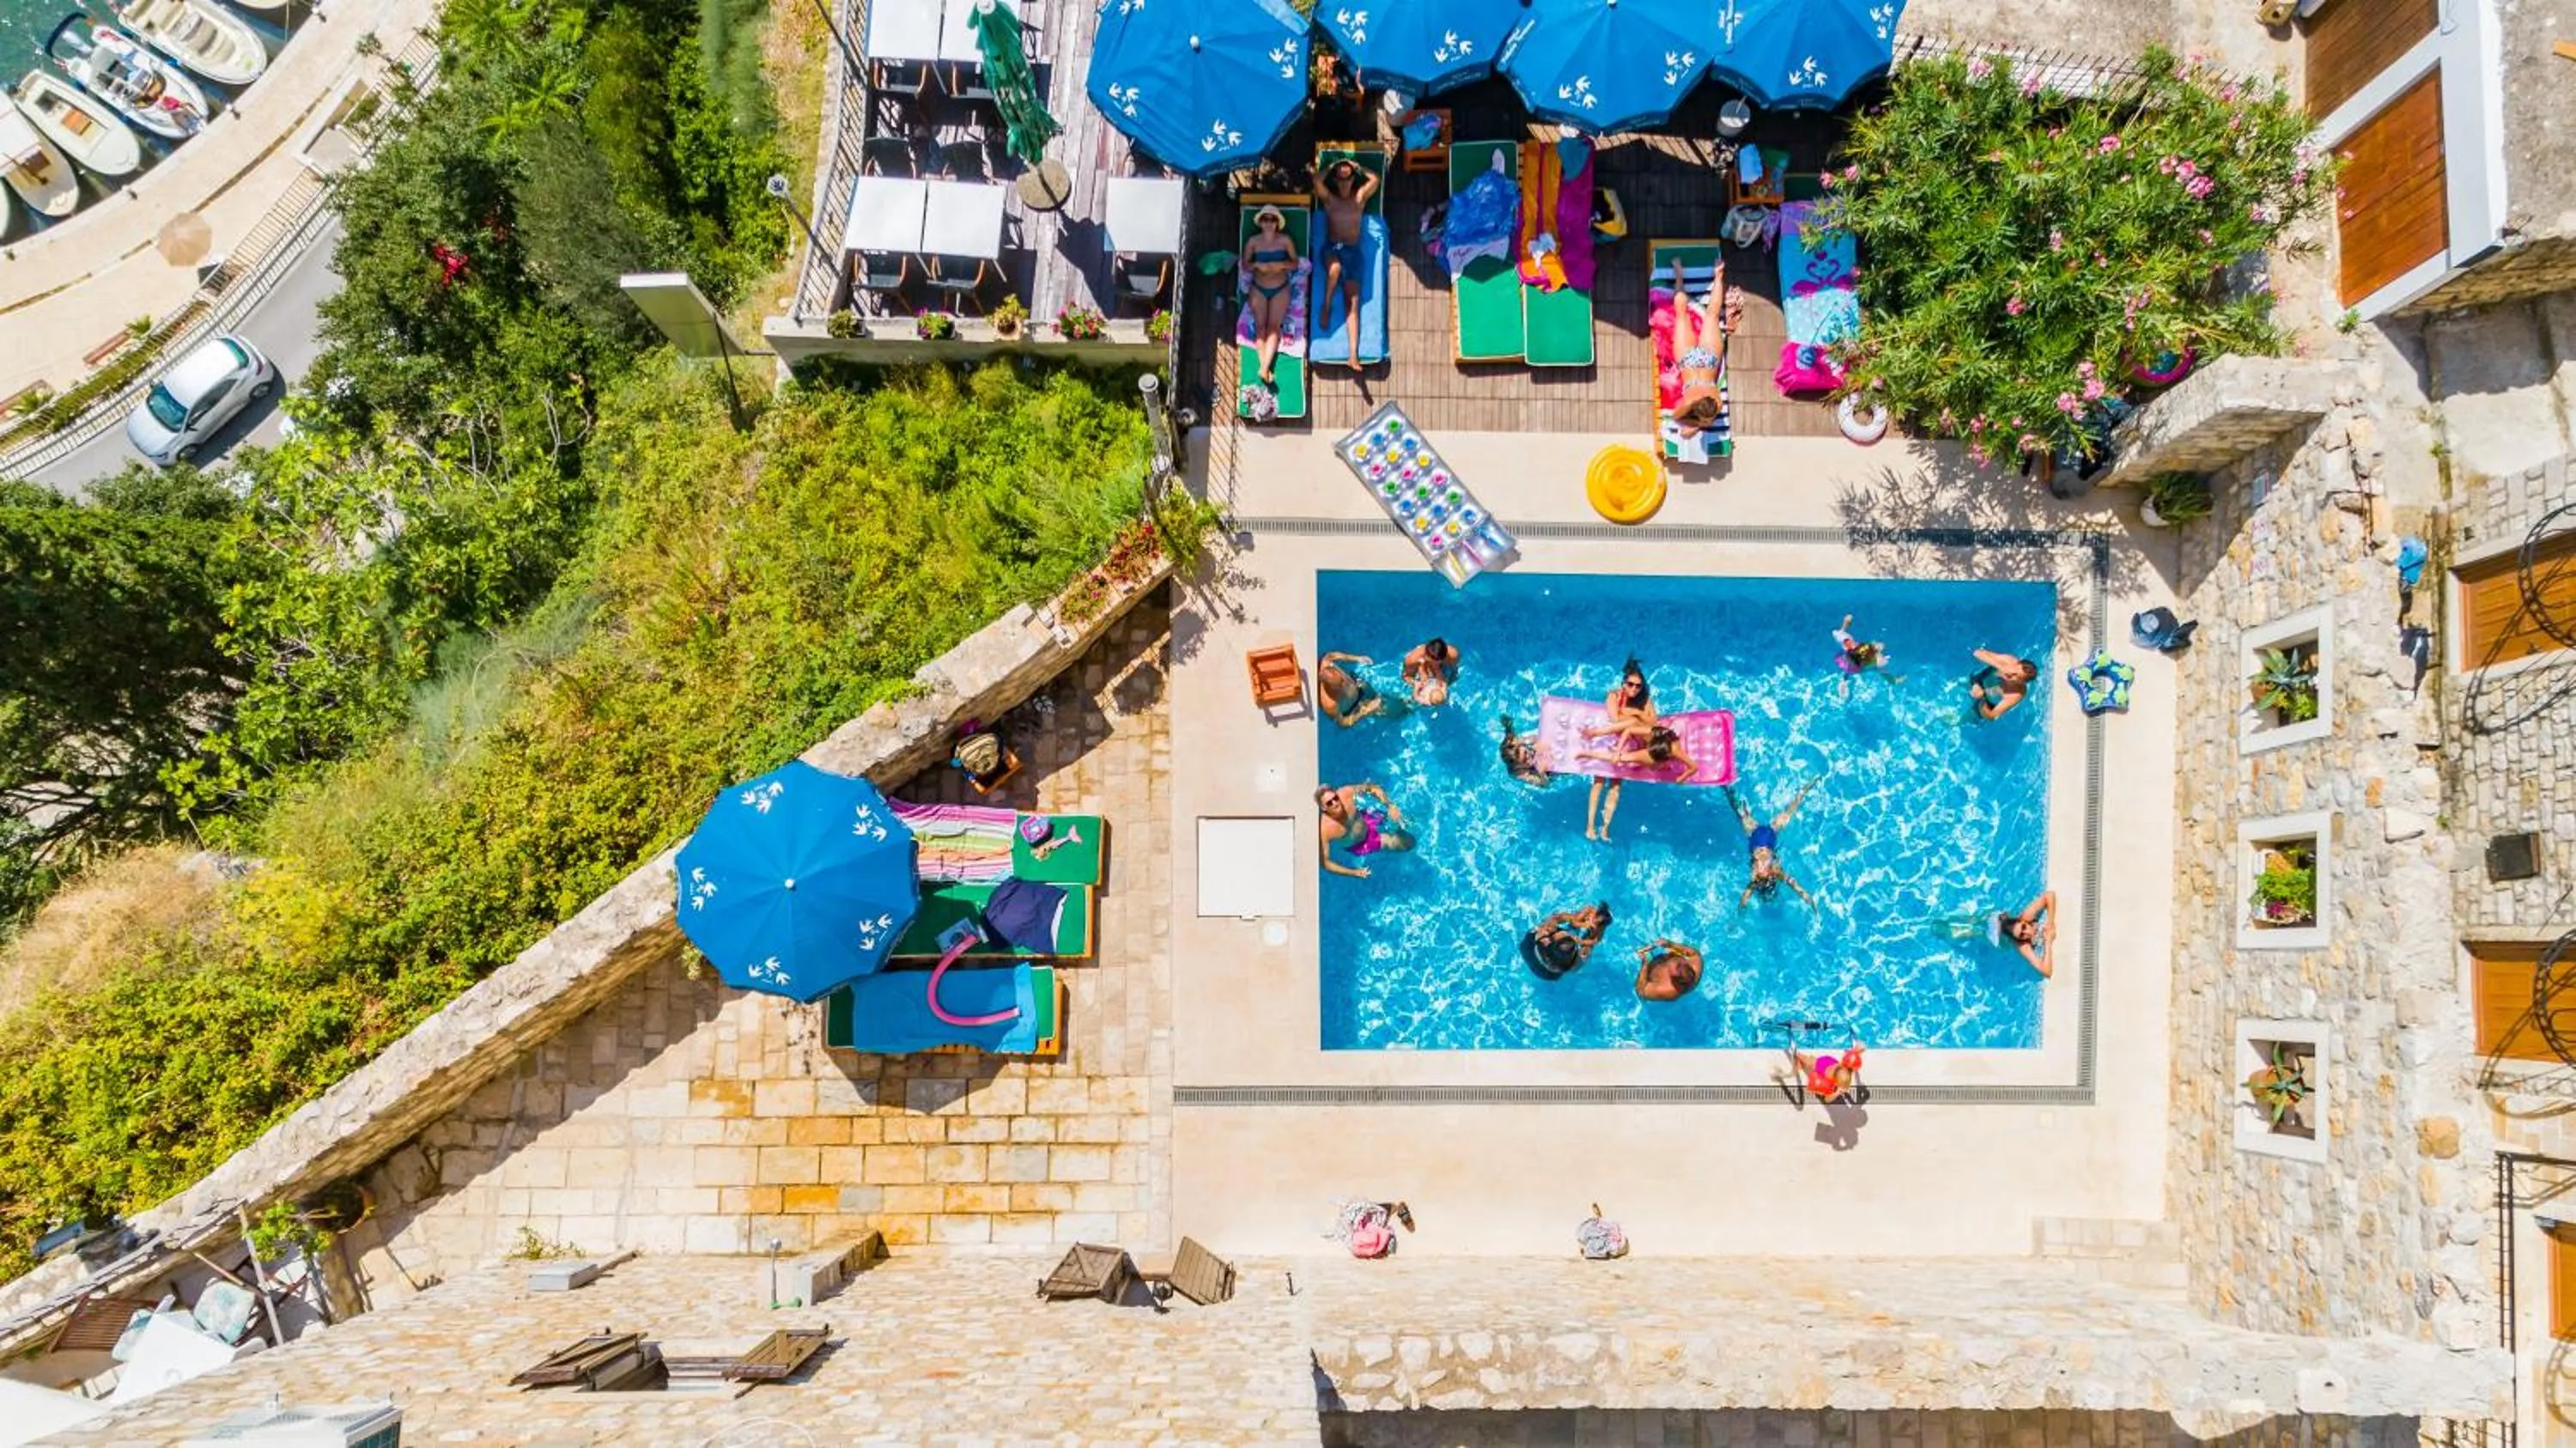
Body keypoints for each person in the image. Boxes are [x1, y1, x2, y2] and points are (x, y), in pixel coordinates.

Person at [1316, 158, 1381, 373]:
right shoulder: (1330, 200)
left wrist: (1358, 166)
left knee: (1352, 302)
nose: (1345, 182)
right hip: (1332, 248)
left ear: (1354, 179)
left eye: (1349, 177)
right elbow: (1317, 180)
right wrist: (1332, 165)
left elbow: (1376, 179)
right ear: (1335, 180)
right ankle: (1326, 305)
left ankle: (1353, 355)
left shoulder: (1360, 197)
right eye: (1340, 177)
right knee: (1334, 269)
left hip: (1353, 253)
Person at [1668, 259, 1735, 439]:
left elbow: (1706, 419)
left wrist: (1697, 424)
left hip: (1709, 359)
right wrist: (1693, 426)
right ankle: (1679, 275)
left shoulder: (1717, 402)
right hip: (1688, 361)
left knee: (1712, 316)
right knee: (1681, 316)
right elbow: (1678, 420)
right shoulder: (1688, 403)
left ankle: (1719, 275)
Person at [1729, 776, 1820, 909]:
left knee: (1738, 809)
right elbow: (1794, 885)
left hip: (1754, 836)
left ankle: (1728, 787)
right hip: (1770, 836)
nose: (1759, 871)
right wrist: (1808, 898)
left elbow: (1745, 897)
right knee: (1791, 809)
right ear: (1770, 879)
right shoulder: (1776, 872)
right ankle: (1807, 787)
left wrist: (1738, 915)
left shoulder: (1755, 879)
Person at [1245, 206, 1300, 389]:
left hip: (1280, 287)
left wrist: (1280, 264)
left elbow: (1295, 264)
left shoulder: (1285, 241)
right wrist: (1257, 265)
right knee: (1260, 327)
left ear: (1277, 223)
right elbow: (1245, 265)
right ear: (1261, 222)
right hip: (1259, 288)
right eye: (1265, 219)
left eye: (1272, 219)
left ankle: (1264, 368)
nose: (1269, 222)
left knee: (1274, 327)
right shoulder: (1253, 242)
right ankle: (1264, 368)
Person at [1316, 782, 1411, 879]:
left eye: (1335, 798)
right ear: (1323, 807)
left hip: (1367, 819)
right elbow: (1324, 862)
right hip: (1363, 843)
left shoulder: (1346, 793)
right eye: (1329, 803)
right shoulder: (1325, 829)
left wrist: (1390, 806)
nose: (1335, 803)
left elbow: (1372, 787)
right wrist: (1354, 873)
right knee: (1406, 844)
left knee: (1405, 820)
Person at [1522, 902, 1612, 980]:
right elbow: (1589, 946)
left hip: (1529, 950)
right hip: (1549, 975)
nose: (1571, 935)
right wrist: (1596, 930)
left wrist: (1573, 919)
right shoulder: (1577, 963)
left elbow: (1558, 918)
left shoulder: (1543, 935)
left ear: (1548, 941)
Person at [1577, 727, 1698, 783]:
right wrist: (1618, 752)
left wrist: (1682, 778)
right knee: (1623, 759)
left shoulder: (1676, 751)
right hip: (1659, 740)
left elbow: (1694, 767)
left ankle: (1588, 754)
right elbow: (1629, 730)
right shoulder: (1651, 733)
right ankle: (1588, 754)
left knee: (1653, 767)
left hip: (1665, 746)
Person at [1587, 658, 1657, 747]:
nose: (1634, 689)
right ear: (1624, 683)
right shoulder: (1614, 696)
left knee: (1635, 721)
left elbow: (1653, 722)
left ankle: (1596, 733)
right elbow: (1615, 719)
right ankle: (1595, 733)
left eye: (1638, 686)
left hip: (1647, 737)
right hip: (1631, 733)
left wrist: (1637, 713)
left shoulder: (1645, 699)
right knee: (1634, 721)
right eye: (1630, 684)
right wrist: (1637, 718)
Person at [1832, 614, 1895, 698]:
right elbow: (1882, 665)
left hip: (1844, 661)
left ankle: (1844, 680)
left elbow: (1836, 633)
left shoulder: (1848, 643)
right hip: (1856, 667)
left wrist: (1845, 624)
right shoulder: (1877, 661)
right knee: (1874, 669)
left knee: (1848, 671)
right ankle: (1844, 680)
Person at [1967, 648, 2040, 721]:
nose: (2011, 674)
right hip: (1979, 678)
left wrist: (1981, 699)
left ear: (2022, 683)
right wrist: (1999, 666)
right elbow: (1977, 653)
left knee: (1965, 718)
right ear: (2016, 663)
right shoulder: (2009, 661)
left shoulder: (2016, 694)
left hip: (1984, 701)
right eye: (2014, 670)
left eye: (2017, 677)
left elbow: (1992, 716)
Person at [1999, 889, 2057, 977]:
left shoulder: (2026, 916)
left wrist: (2050, 922)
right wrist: (2048, 942)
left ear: (2023, 922)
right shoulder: (2024, 947)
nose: (2027, 932)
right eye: (2022, 935)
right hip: (2001, 936)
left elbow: (2050, 895)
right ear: (2019, 940)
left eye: (2024, 927)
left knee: (2001, 919)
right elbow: (2047, 972)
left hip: (2008, 921)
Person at [1319, 650, 1382, 727]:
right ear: (1331, 688)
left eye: (1342, 678)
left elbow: (1331, 655)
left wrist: (1357, 658)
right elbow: (1343, 723)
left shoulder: (1326, 662)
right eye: (1341, 683)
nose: (1345, 681)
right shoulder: (1330, 704)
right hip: (1354, 707)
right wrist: (1365, 711)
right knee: (1382, 710)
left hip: (1358, 685)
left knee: (1378, 697)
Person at [1793, 1037, 1866, 1104]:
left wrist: (1857, 1050)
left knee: (1811, 1061)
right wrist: (1836, 1093)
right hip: (1821, 1065)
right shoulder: (1829, 1084)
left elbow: (1851, 1057)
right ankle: (1798, 1055)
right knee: (1809, 1062)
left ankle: (1802, 1058)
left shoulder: (1845, 1067)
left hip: (1830, 1061)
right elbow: (1827, 1100)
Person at [1633, 940, 1704, 1001]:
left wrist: (1645, 963)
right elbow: (1695, 954)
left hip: (1652, 965)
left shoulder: (1667, 990)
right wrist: (1670, 944)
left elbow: (1641, 991)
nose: (1682, 961)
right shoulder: (1695, 965)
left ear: (1673, 978)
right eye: (1685, 963)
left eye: (1678, 966)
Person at [1498, 715, 1551, 787]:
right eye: (1525, 760)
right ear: (1518, 766)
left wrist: (1508, 725)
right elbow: (1545, 784)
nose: (1529, 756)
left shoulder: (1520, 745)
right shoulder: (1520, 773)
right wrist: (1541, 770)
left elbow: (1511, 734)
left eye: (1525, 752)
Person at [1402, 638, 1458, 707]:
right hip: (1419, 667)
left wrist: (1445, 684)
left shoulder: (1452, 655)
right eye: (1432, 662)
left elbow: (1454, 671)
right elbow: (1406, 676)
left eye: (1438, 663)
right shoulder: (1412, 660)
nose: (1434, 665)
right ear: (1426, 655)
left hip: (1439, 670)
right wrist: (1416, 684)